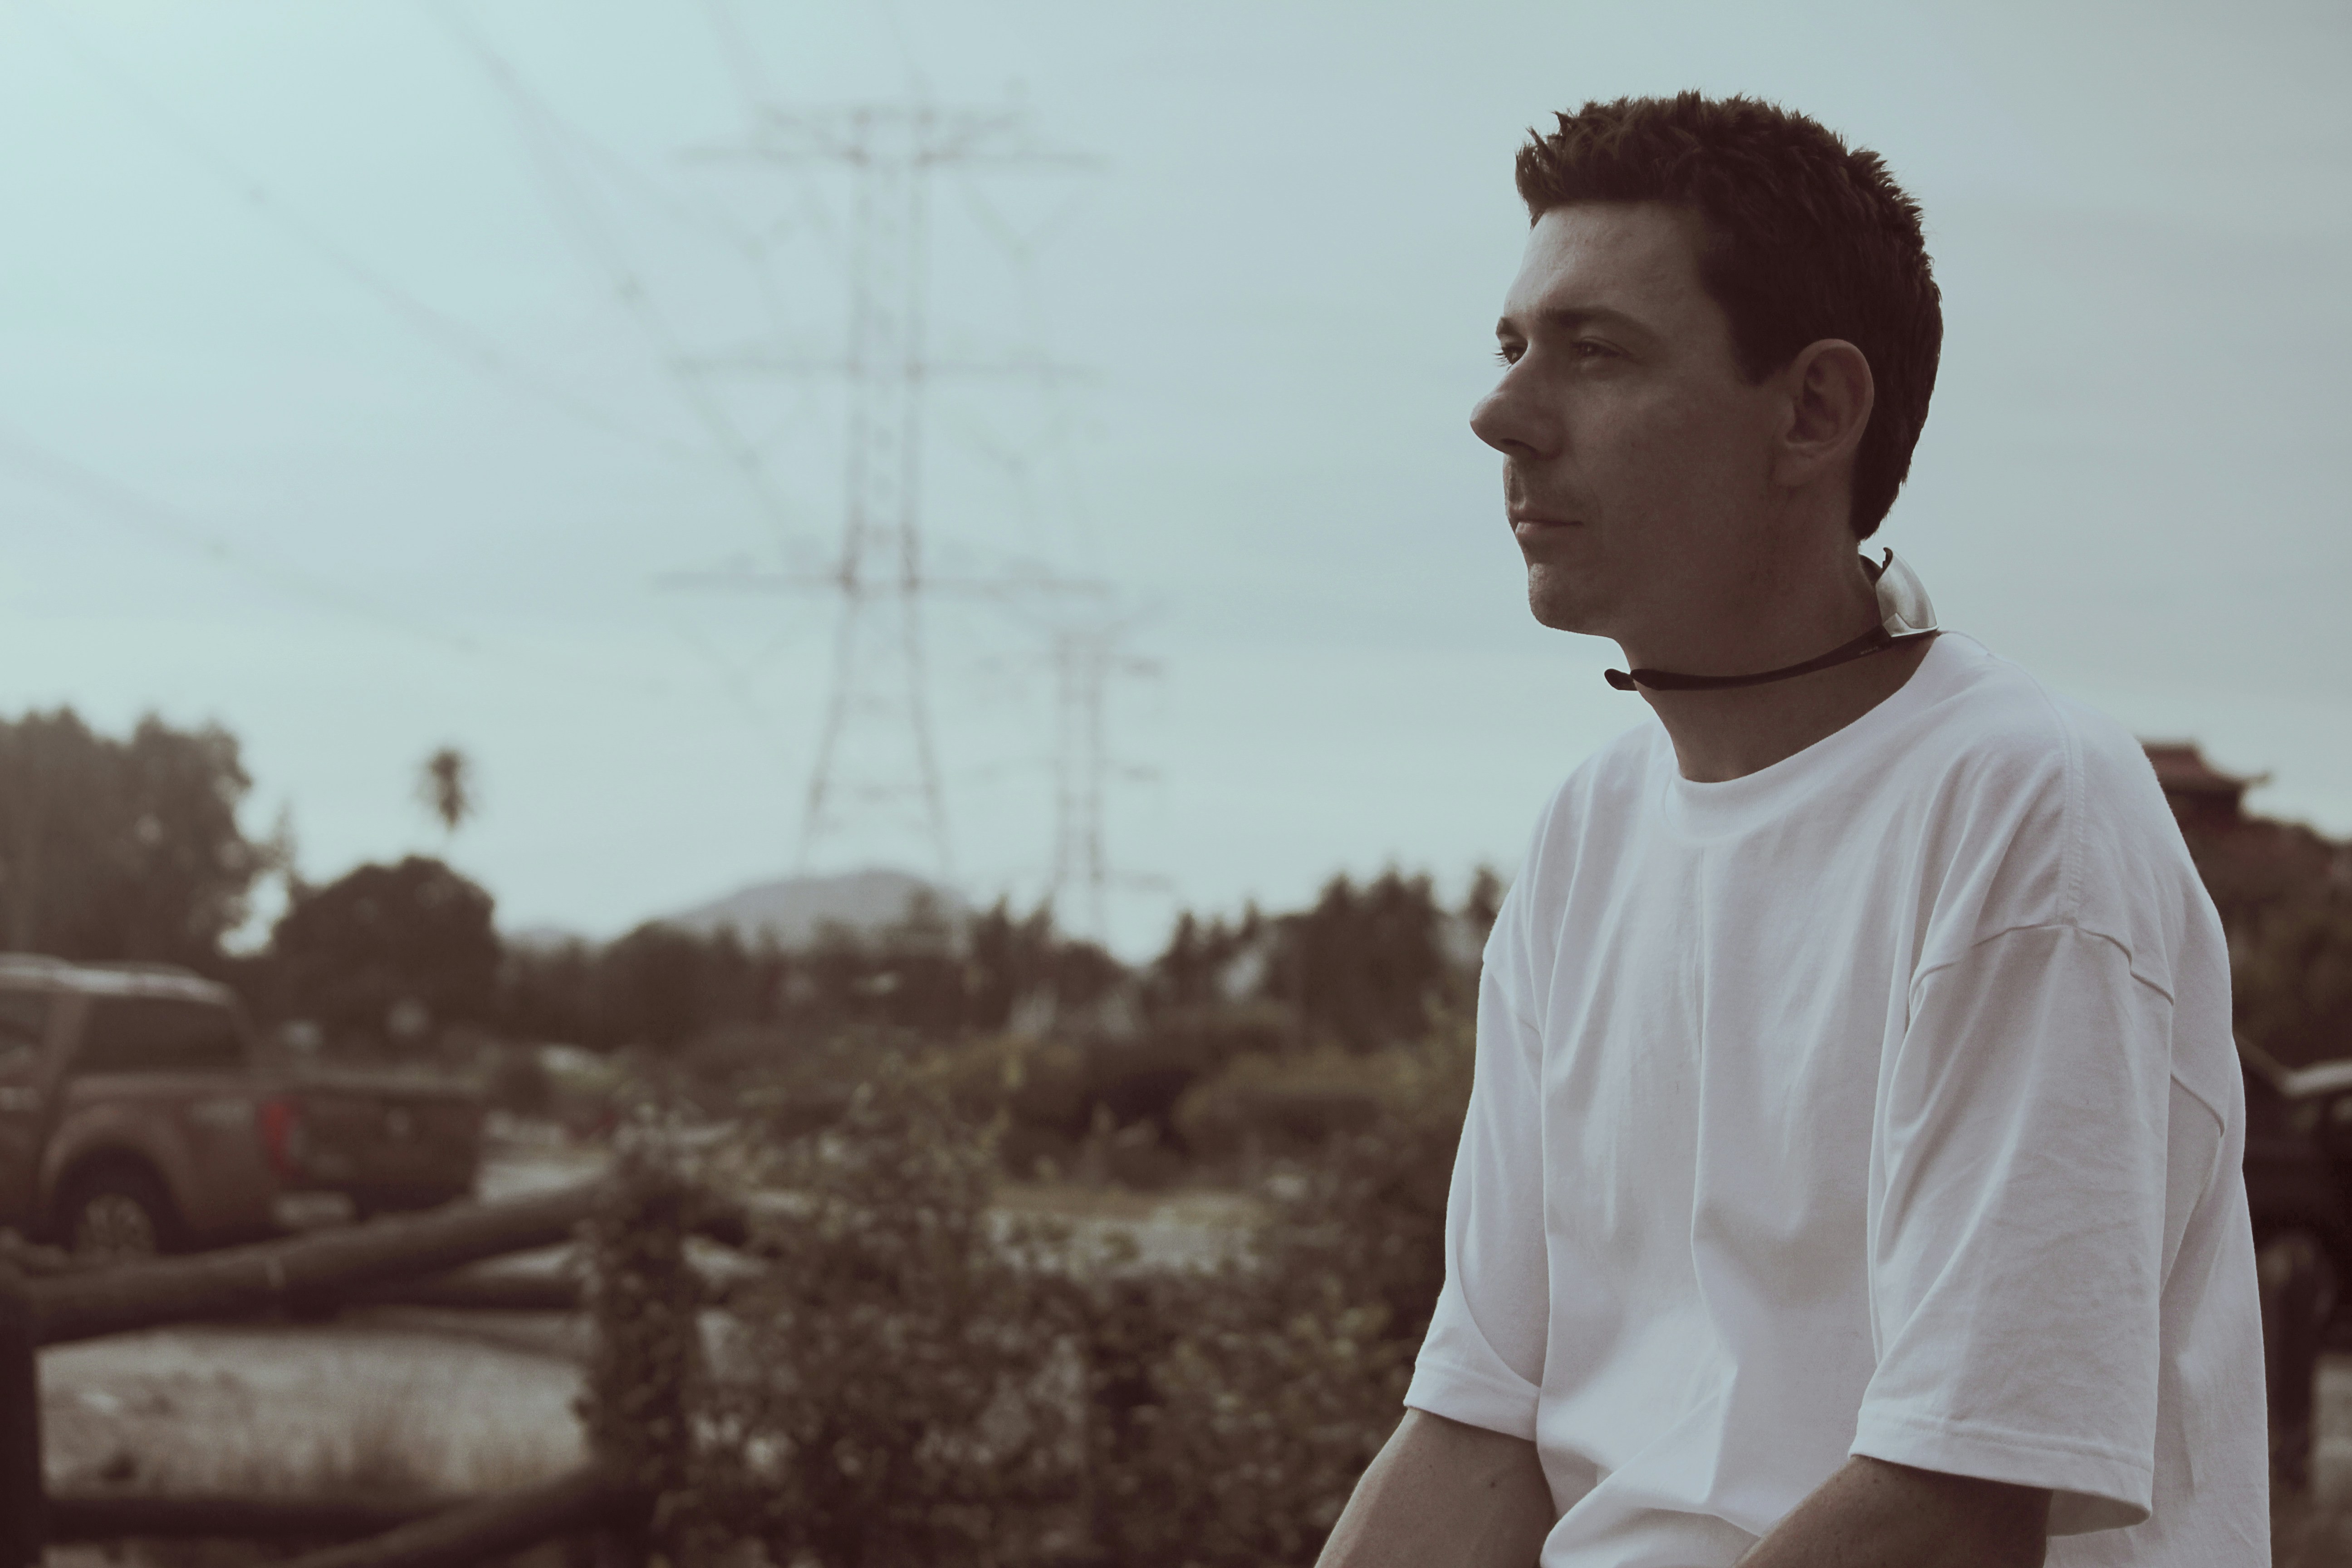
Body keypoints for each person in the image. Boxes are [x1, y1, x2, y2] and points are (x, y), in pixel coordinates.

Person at [1317, 93, 2267, 1568]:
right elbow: (1475, 1433)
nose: (1502, 414)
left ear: (1814, 412)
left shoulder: (2024, 809)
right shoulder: (1589, 836)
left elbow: (1955, 1508)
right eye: (1511, 347)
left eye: (1594, 351)